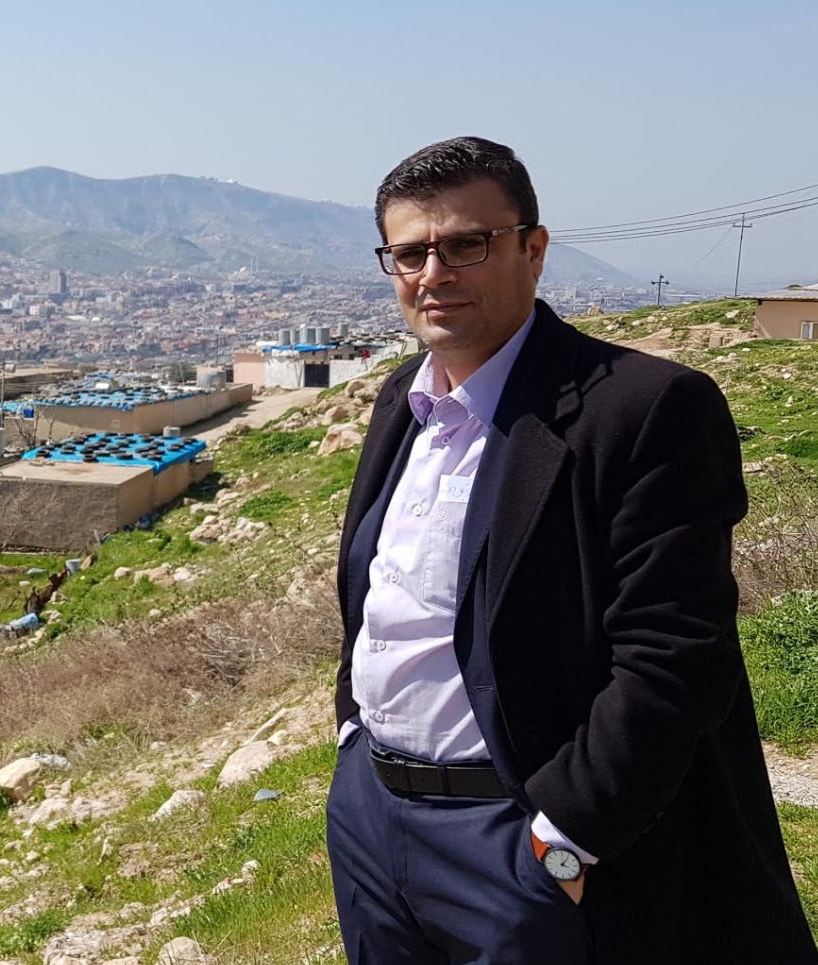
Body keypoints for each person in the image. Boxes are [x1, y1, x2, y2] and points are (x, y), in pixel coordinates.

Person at [327, 136, 817, 965]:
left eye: (467, 244)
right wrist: (352, 744)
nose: (434, 273)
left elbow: (675, 656)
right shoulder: (401, 398)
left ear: (534, 249)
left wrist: (562, 838)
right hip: (374, 820)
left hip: (517, 838)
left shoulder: (643, 408)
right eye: (410, 253)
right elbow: (377, 592)